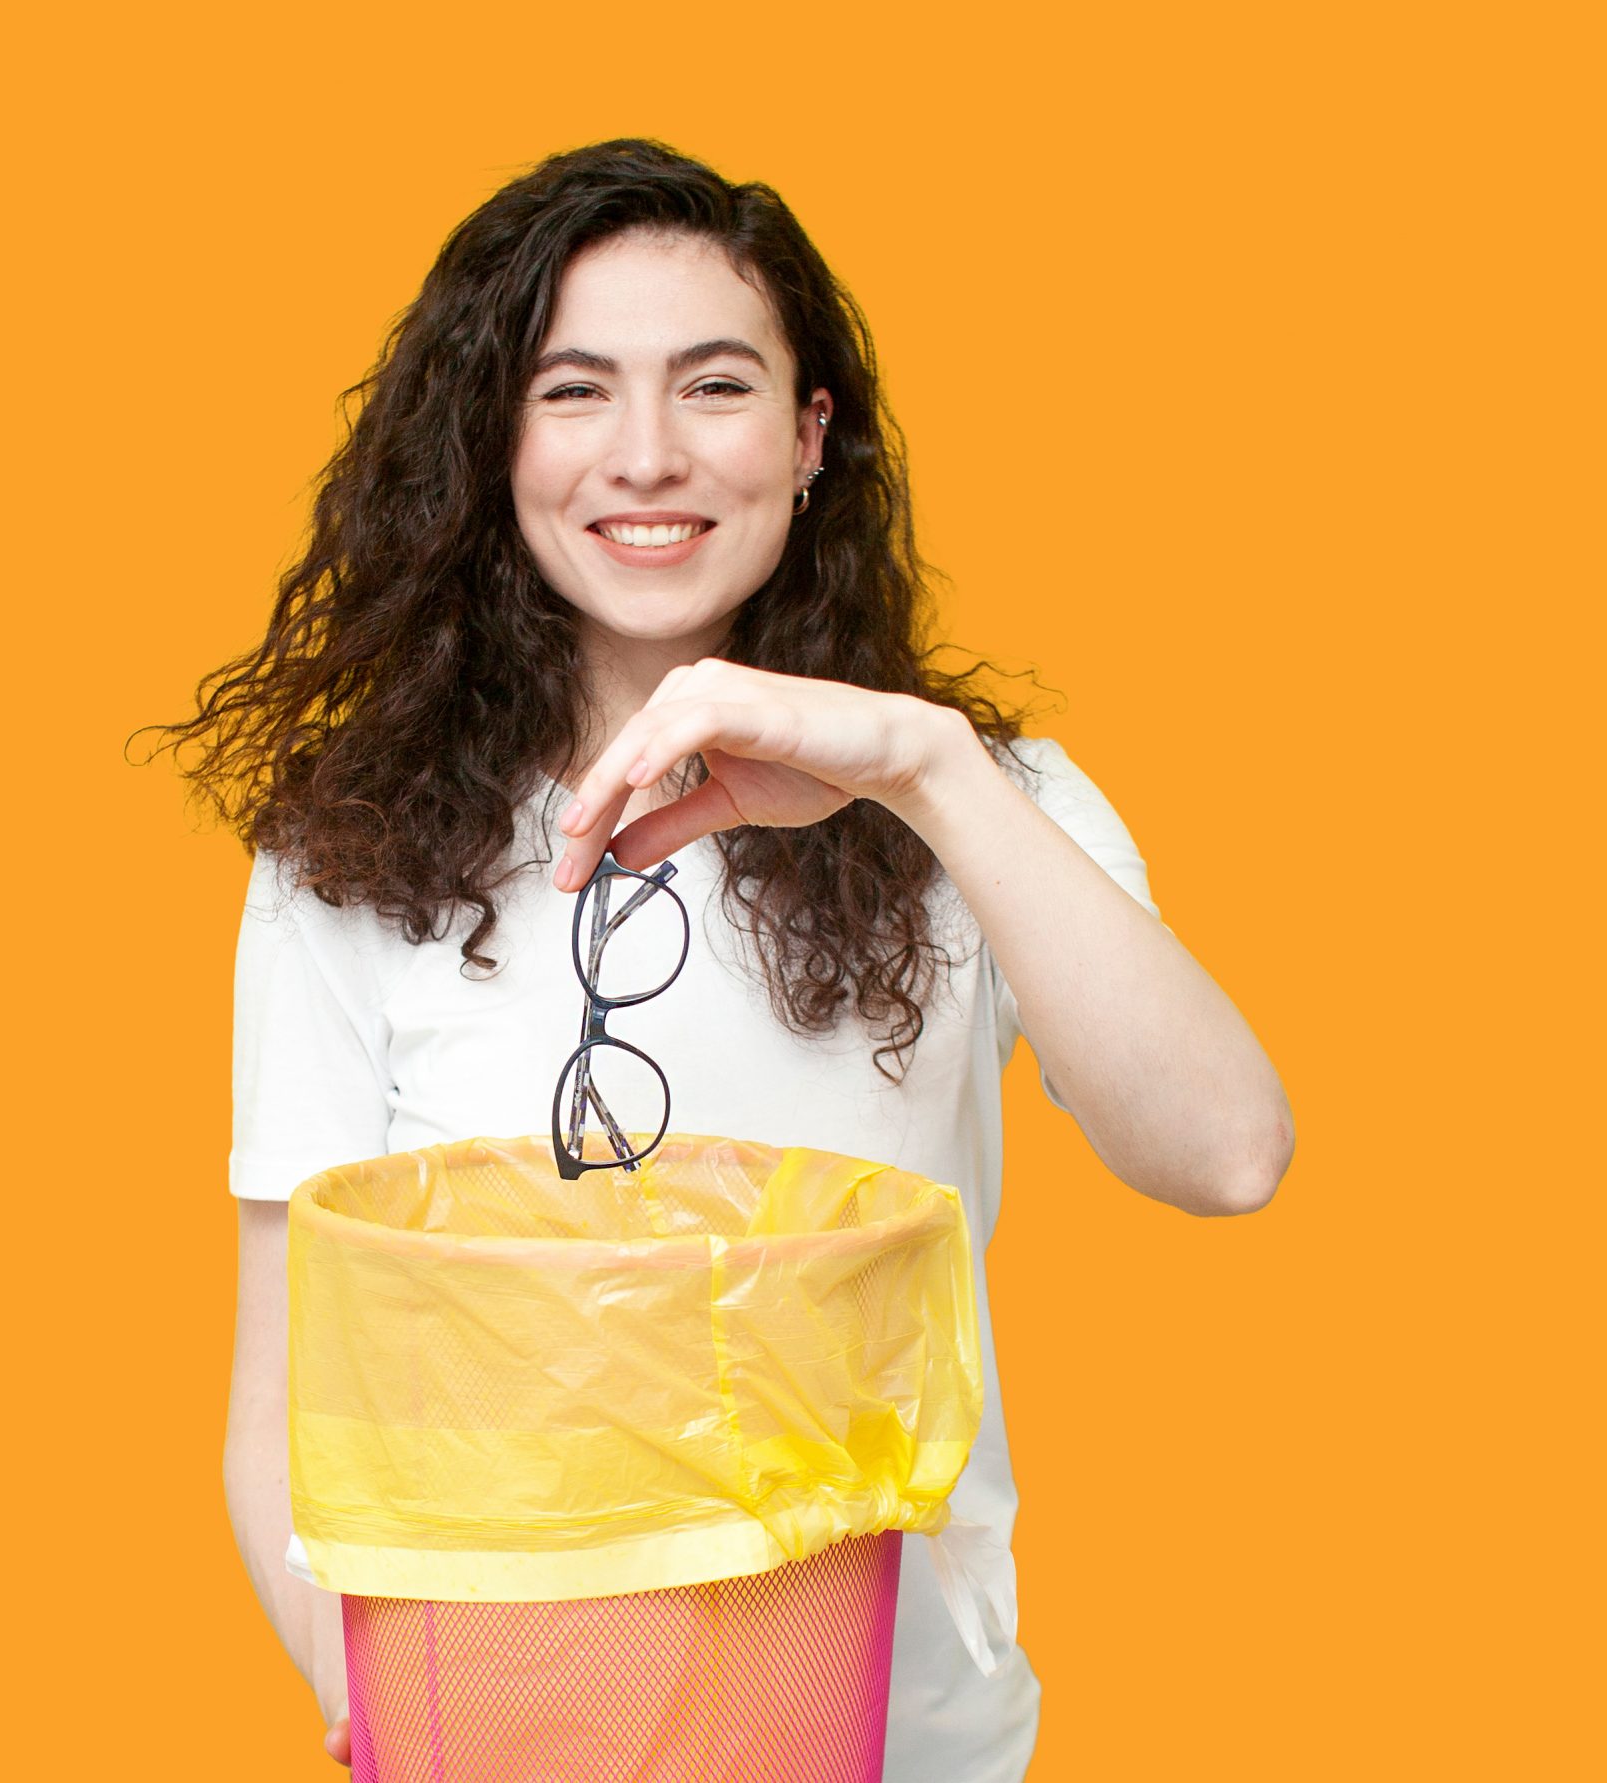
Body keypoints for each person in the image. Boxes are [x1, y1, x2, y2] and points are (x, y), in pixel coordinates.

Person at [153, 137, 1294, 1781]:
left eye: (714, 386)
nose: (646, 455)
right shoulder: (352, 853)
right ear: (494, 444)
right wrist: (386, 1714)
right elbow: (288, 1400)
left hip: (904, 1747)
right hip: (498, 1747)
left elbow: (1227, 1152)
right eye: (573, 391)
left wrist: (928, 771)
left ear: (811, 435)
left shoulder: (980, 800)